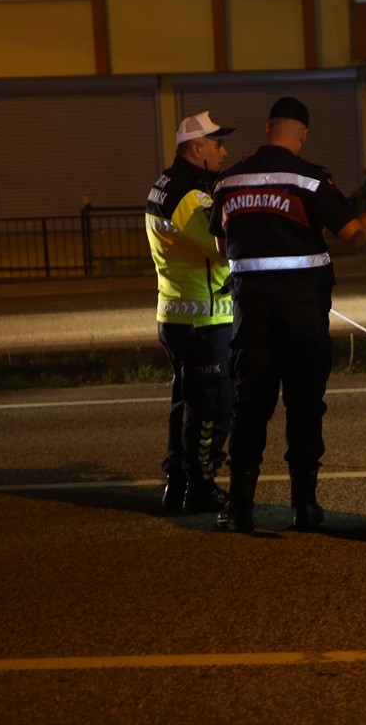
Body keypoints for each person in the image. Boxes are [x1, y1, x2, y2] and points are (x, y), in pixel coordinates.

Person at [208, 96, 366, 533]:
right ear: (302, 135)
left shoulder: (228, 182)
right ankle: (304, 507)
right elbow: (353, 235)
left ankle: (240, 508)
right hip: (303, 313)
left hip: (251, 313)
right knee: (304, 404)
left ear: (268, 128)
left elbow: (220, 246)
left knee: (251, 403)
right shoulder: (310, 180)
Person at [145, 111, 237, 514]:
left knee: (186, 403)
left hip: (177, 313)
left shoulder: (165, 185)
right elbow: (221, 247)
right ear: (196, 148)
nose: (224, 151)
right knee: (212, 408)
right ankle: (200, 485)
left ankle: (177, 482)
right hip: (204, 318)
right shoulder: (189, 197)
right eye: (218, 144)